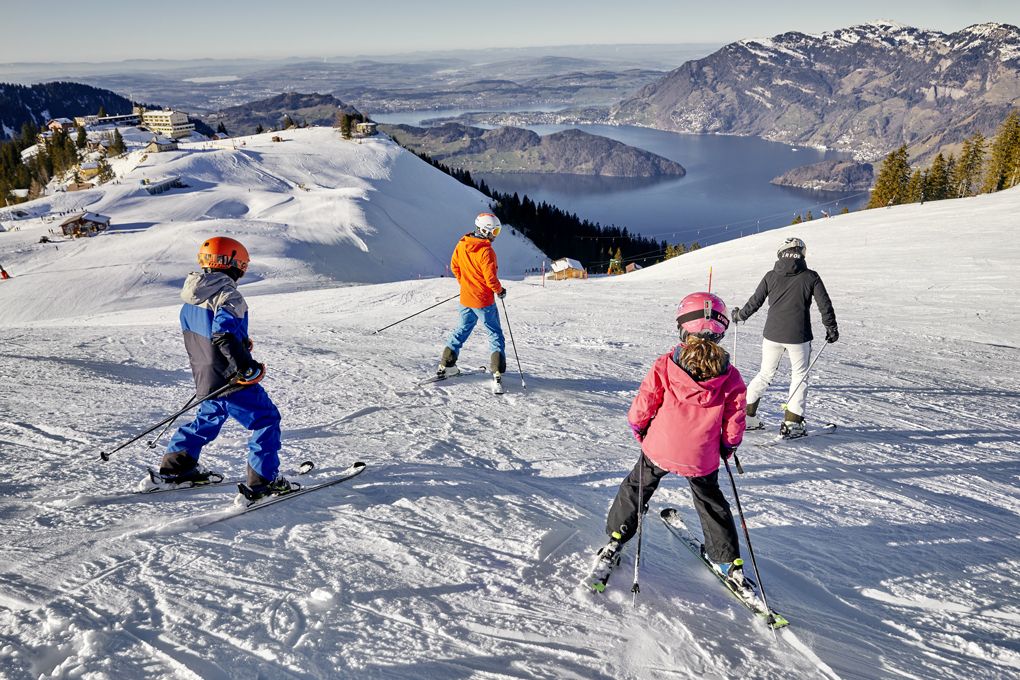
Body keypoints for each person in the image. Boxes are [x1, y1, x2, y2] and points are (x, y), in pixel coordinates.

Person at [595, 293, 748, 587]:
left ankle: (617, 536)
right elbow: (735, 418)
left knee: (637, 485)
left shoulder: (666, 365)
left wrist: (639, 428)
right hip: (701, 456)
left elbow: (644, 403)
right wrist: (727, 447)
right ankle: (729, 559)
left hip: (660, 447)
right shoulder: (730, 377)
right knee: (711, 500)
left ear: (683, 328)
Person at [156, 237, 291, 499]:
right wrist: (245, 367)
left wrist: (240, 343)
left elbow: (206, 337)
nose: (243, 270)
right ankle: (264, 482)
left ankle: (176, 468)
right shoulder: (228, 295)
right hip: (231, 378)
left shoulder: (190, 300)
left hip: (206, 377)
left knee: (208, 419)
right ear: (233, 264)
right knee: (266, 419)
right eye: (242, 264)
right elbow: (222, 335)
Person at [731, 237, 838, 439]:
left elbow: (755, 302)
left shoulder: (771, 276)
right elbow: (825, 304)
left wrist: (739, 316)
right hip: (798, 336)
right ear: (802, 253)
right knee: (799, 376)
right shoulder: (810, 277)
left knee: (764, 374)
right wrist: (831, 328)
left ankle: (746, 417)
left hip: (772, 335)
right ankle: (792, 423)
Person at [437, 212, 508, 394]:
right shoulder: (486, 251)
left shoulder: (463, 243)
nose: (495, 236)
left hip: (466, 299)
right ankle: (497, 369)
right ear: (485, 230)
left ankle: (447, 364)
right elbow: (490, 278)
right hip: (483, 301)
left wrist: (465, 284)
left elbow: (455, 266)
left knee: (462, 329)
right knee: (494, 333)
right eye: (495, 232)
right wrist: (499, 291)